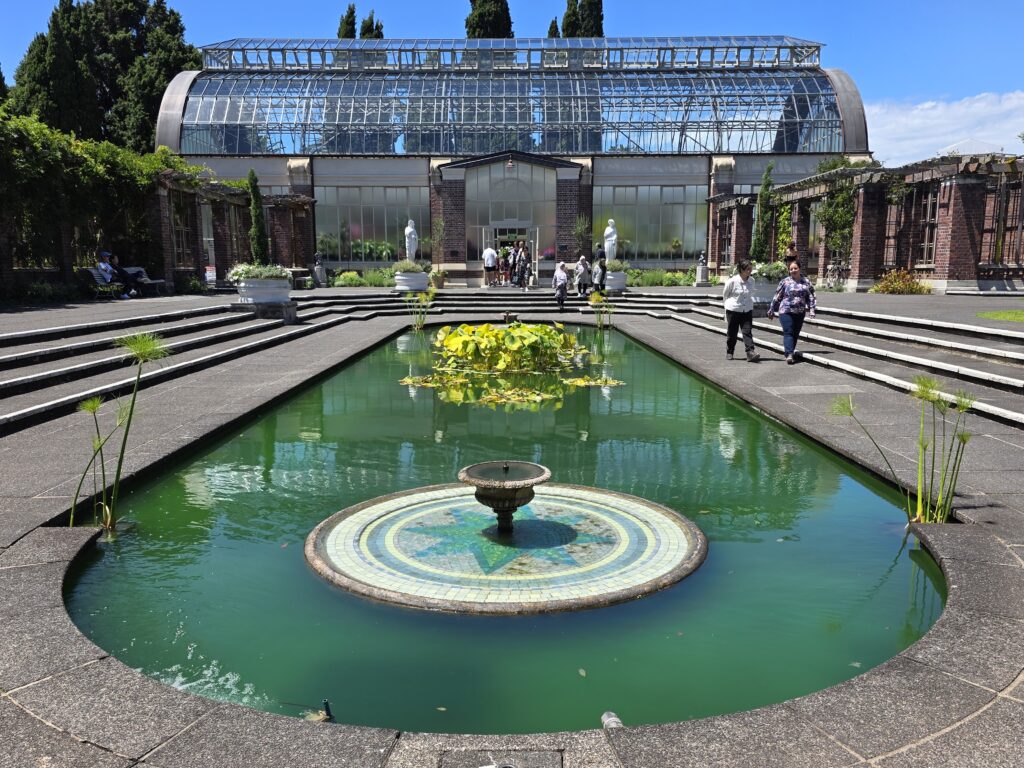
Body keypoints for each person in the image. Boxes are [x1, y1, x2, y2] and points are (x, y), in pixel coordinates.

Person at [767, 259, 816, 364]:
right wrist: (772, 309)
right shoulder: (785, 281)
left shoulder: (806, 282)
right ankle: (789, 354)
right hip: (786, 310)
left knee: (795, 333)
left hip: (800, 311)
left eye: (795, 268)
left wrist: (812, 309)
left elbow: (811, 296)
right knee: (788, 331)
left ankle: (790, 351)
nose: (793, 270)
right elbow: (777, 296)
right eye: (791, 269)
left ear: (799, 269)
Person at [722, 259, 760, 362]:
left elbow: (751, 294)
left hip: (747, 309)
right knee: (732, 333)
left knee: (747, 331)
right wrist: (726, 308)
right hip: (733, 309)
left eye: (751, 269)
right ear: (741, 270)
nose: (750, 271)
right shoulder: (732, 281)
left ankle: (750, 352)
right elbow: (725, 295)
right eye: (748, 269)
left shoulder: (752, 281)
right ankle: (730, 351)